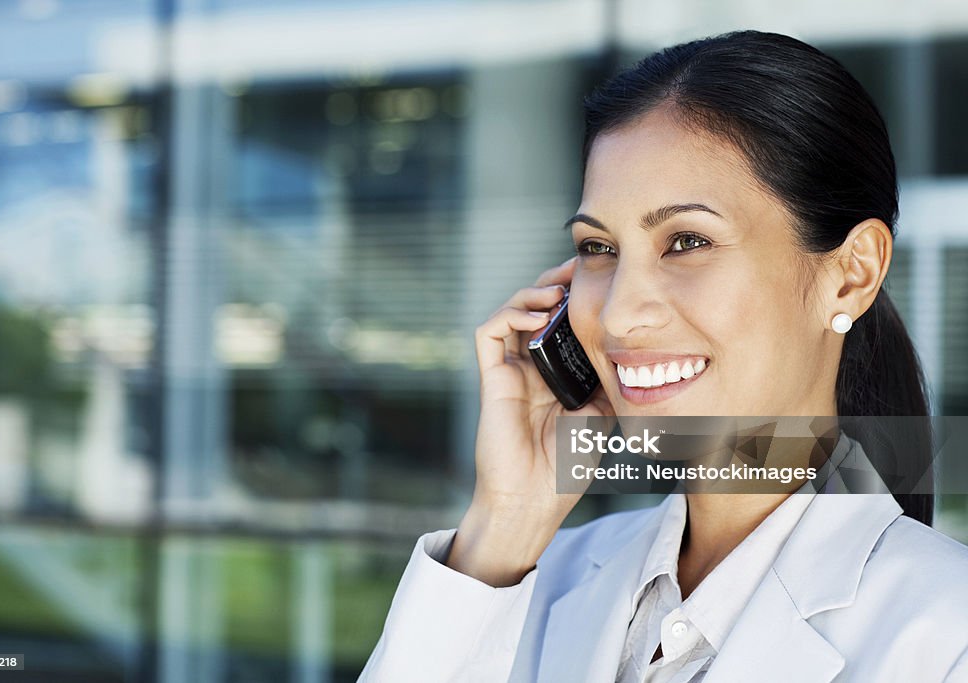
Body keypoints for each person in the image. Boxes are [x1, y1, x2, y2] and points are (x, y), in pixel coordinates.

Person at [357, 30, 968, 682]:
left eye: (686, 241)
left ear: (850, 274)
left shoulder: (944, 633)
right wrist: (504, 523)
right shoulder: (514, 580)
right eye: (599, 248)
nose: (618, 313)